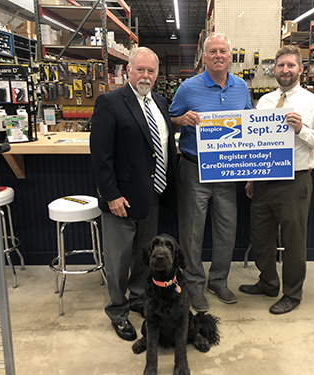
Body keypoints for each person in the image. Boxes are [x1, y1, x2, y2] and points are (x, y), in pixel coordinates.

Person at [239, 45, 314, 314]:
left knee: (293, 242)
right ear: (274, 70)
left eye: (290, 65)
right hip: (264, 181)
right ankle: (268, 281)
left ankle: (292, 294)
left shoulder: (313, 103)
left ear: (300, 70)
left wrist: (301, 129)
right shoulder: (265, 102)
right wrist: (251, 178)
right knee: (260, 238)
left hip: (295, 182)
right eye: (281, 66)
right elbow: (258, 143)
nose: (285, 70)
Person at [90, 47, 177, 340]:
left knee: (144, 255)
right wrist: (111, 195)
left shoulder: (161, 103)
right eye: (140, 69)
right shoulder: (110, 102)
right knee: (118, 260)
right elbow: (100, 155)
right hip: (121, 199)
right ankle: (118, 311)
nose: (145, 76)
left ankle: (139, 298)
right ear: (128, 71)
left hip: (151, 194)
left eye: (151, 71)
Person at [169, 33, 252, 312]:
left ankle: (218, 280)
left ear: (230, 56)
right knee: (191, 233)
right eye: (213, 51)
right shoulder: (187, 88)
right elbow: (167, 121)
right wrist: (180, 120)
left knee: (227, 230)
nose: (218, 55)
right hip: (194, 170)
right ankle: (193, 285)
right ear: (204, 56)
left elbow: (250, 124)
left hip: (228, 171)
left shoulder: (241, 87)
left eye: (223, 51)